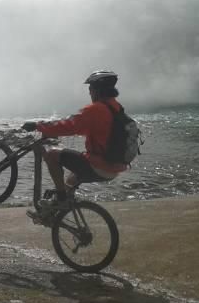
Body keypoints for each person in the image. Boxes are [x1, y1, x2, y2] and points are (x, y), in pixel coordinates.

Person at [22, 70, 128, 215]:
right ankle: (55, 213)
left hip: (98, 166)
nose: (89, 93)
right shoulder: (116, 108)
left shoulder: (95, 110)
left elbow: (70, 125)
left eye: (90, 89)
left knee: (52, 155)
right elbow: (95, 130)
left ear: (96, 90)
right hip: (114, 168)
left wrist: (39, 126)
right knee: (71, 180)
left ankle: (61, 199)